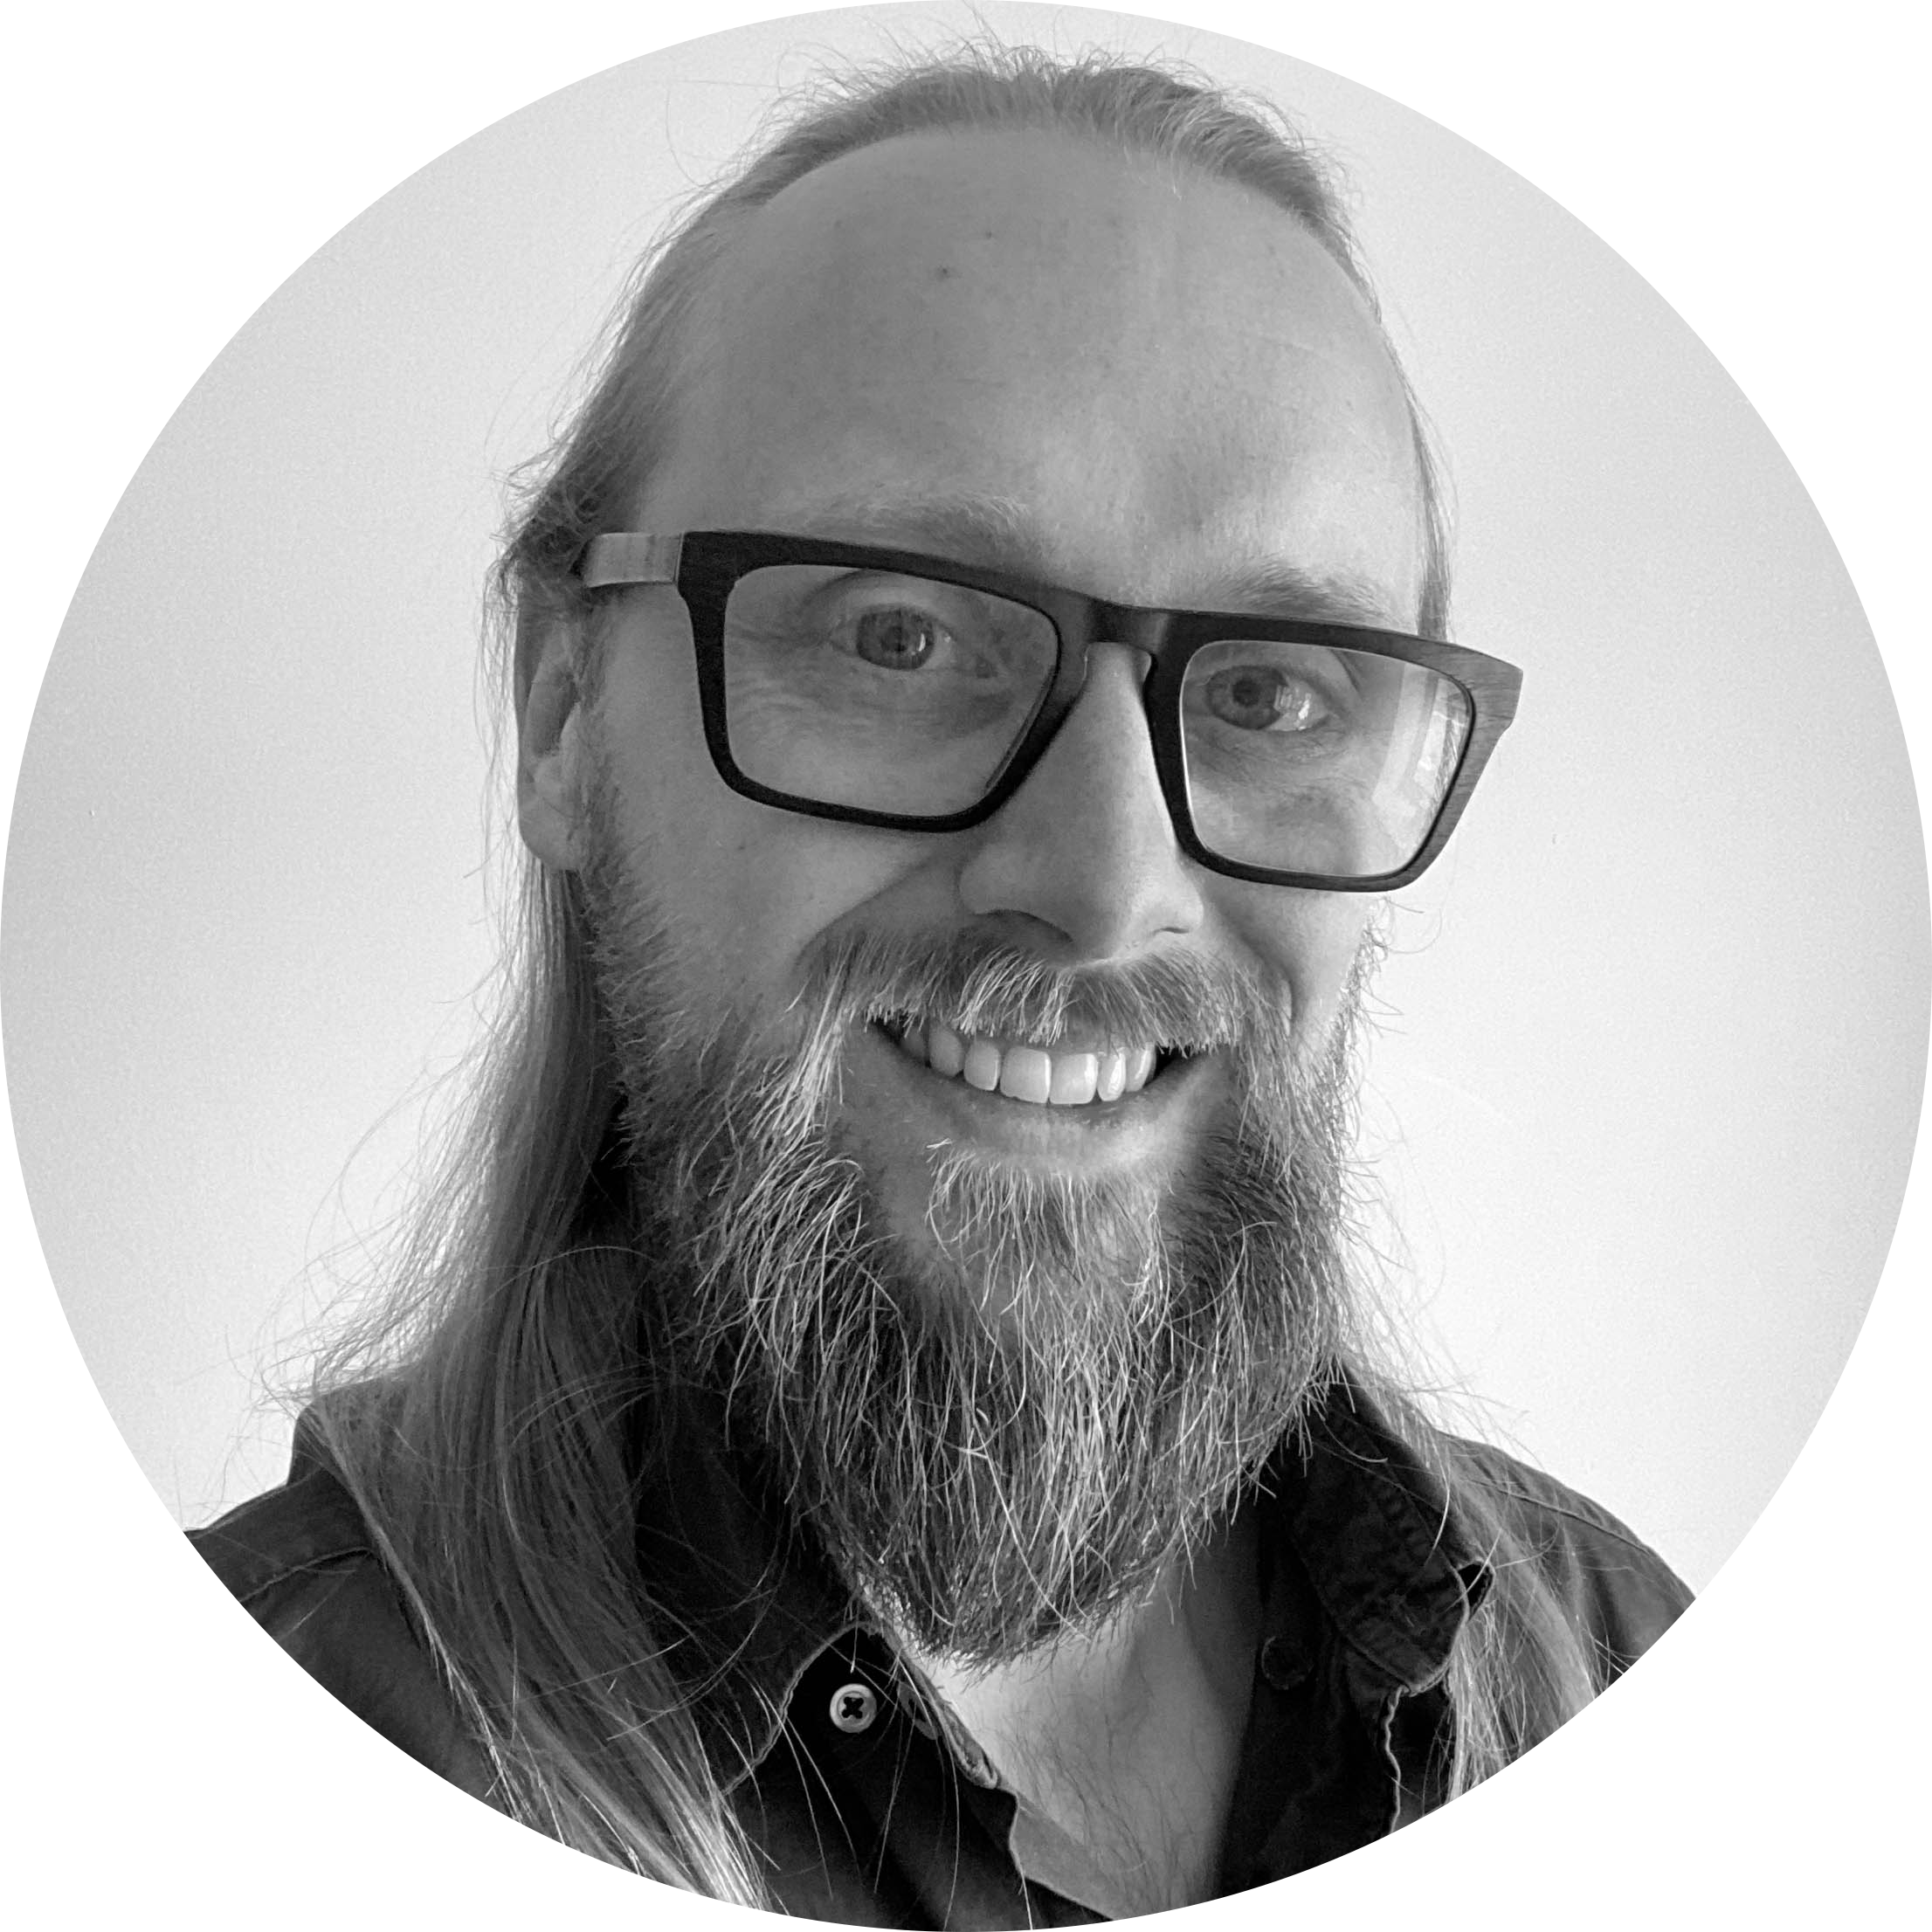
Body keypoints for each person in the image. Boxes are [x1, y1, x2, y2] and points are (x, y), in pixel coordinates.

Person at [187, 43, 1694, 1928]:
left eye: (1268, 691)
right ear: (565, 710)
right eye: (898, 634)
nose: (1100, 886)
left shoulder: (1631, 1688)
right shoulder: (246, 1781)